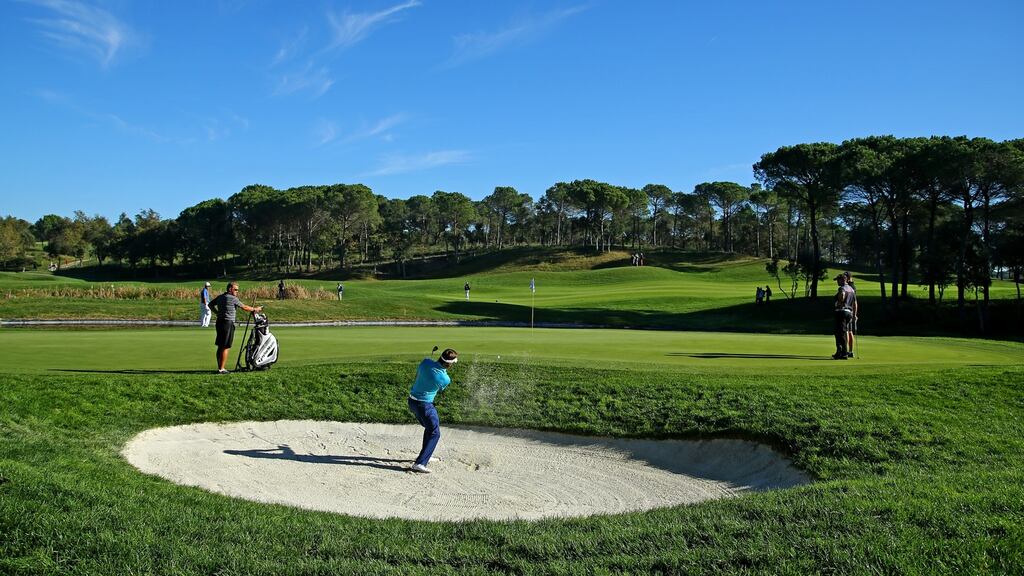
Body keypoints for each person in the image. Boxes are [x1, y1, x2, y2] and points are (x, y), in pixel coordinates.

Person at [407, 348, 458, 473]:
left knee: (430, 429)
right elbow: (440, 388)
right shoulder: (445, 378)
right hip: (424, 406)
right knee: (434, 432)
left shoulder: (425, 362)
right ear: (449, 364)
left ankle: (426, 455)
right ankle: (420, 463)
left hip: (412, 402)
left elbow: (424, 368)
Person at [208, 281, 263, 374]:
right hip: (227, 323)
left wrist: (217, 313)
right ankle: (221, 369)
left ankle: (220, 367)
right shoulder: (232, 298)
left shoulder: (220, 297)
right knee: (225, 346)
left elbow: (210, 305)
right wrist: (255, 309)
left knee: (220, 346)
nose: (237, 291)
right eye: (236, 290)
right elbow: (244, 307)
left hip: (220, 322)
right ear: (230, 289)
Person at [832, 274, 855, 359]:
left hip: (841, 312)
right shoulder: (851, 289)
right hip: (849, 312)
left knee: (840, 333)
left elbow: (842, 295)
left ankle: (843, 353)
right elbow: (854, 303)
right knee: (842, 332)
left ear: (843, 280)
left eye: (838, 280)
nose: (837, 282)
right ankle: (840, 351)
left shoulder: (842, 288)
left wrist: (839, 302)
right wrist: (854, 314)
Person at [844, 272, 858, 357]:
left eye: (845, 277)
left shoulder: (850, 287)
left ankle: (846, 351)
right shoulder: (852, 286)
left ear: (848, 278)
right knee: (849, 331)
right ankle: (850, 351)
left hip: (848, 311)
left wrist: (854, 314)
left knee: (847, 331)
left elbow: (854, 302)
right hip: (850, 312)